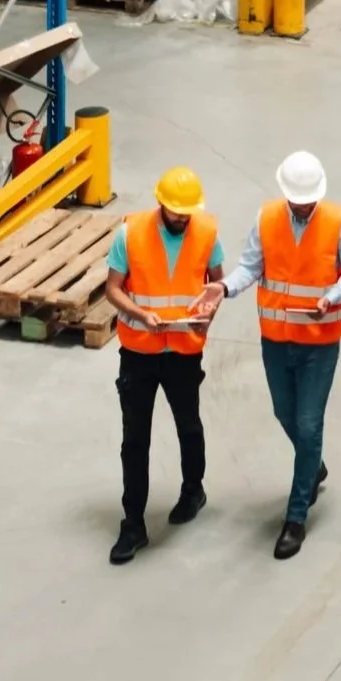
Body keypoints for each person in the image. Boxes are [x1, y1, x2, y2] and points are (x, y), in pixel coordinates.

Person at [218, 150, 341, 560]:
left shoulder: (340, 223)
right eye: (296, 199)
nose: (302, 206)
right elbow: (251, 267)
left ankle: (296, 515)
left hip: (319, 343)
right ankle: (313, 465)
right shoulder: (266, 219)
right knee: (285, 414)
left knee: (307, 422)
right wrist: (226, 288)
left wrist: (331, 295)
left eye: (308, 200)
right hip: (276, 340)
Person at [102, 165, 225, 566]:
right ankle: (133, 523)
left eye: (187, 213)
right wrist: (139, 313)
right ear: (161, 204)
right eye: (176, 213)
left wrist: (208, 312)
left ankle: (194, 490)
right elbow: (112, 289)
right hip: (139, 351)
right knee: (135, 439)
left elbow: (216, 283)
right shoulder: (130, 233)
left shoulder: (206, 232)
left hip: (184, 350)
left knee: (189, 425)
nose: (182, 219)